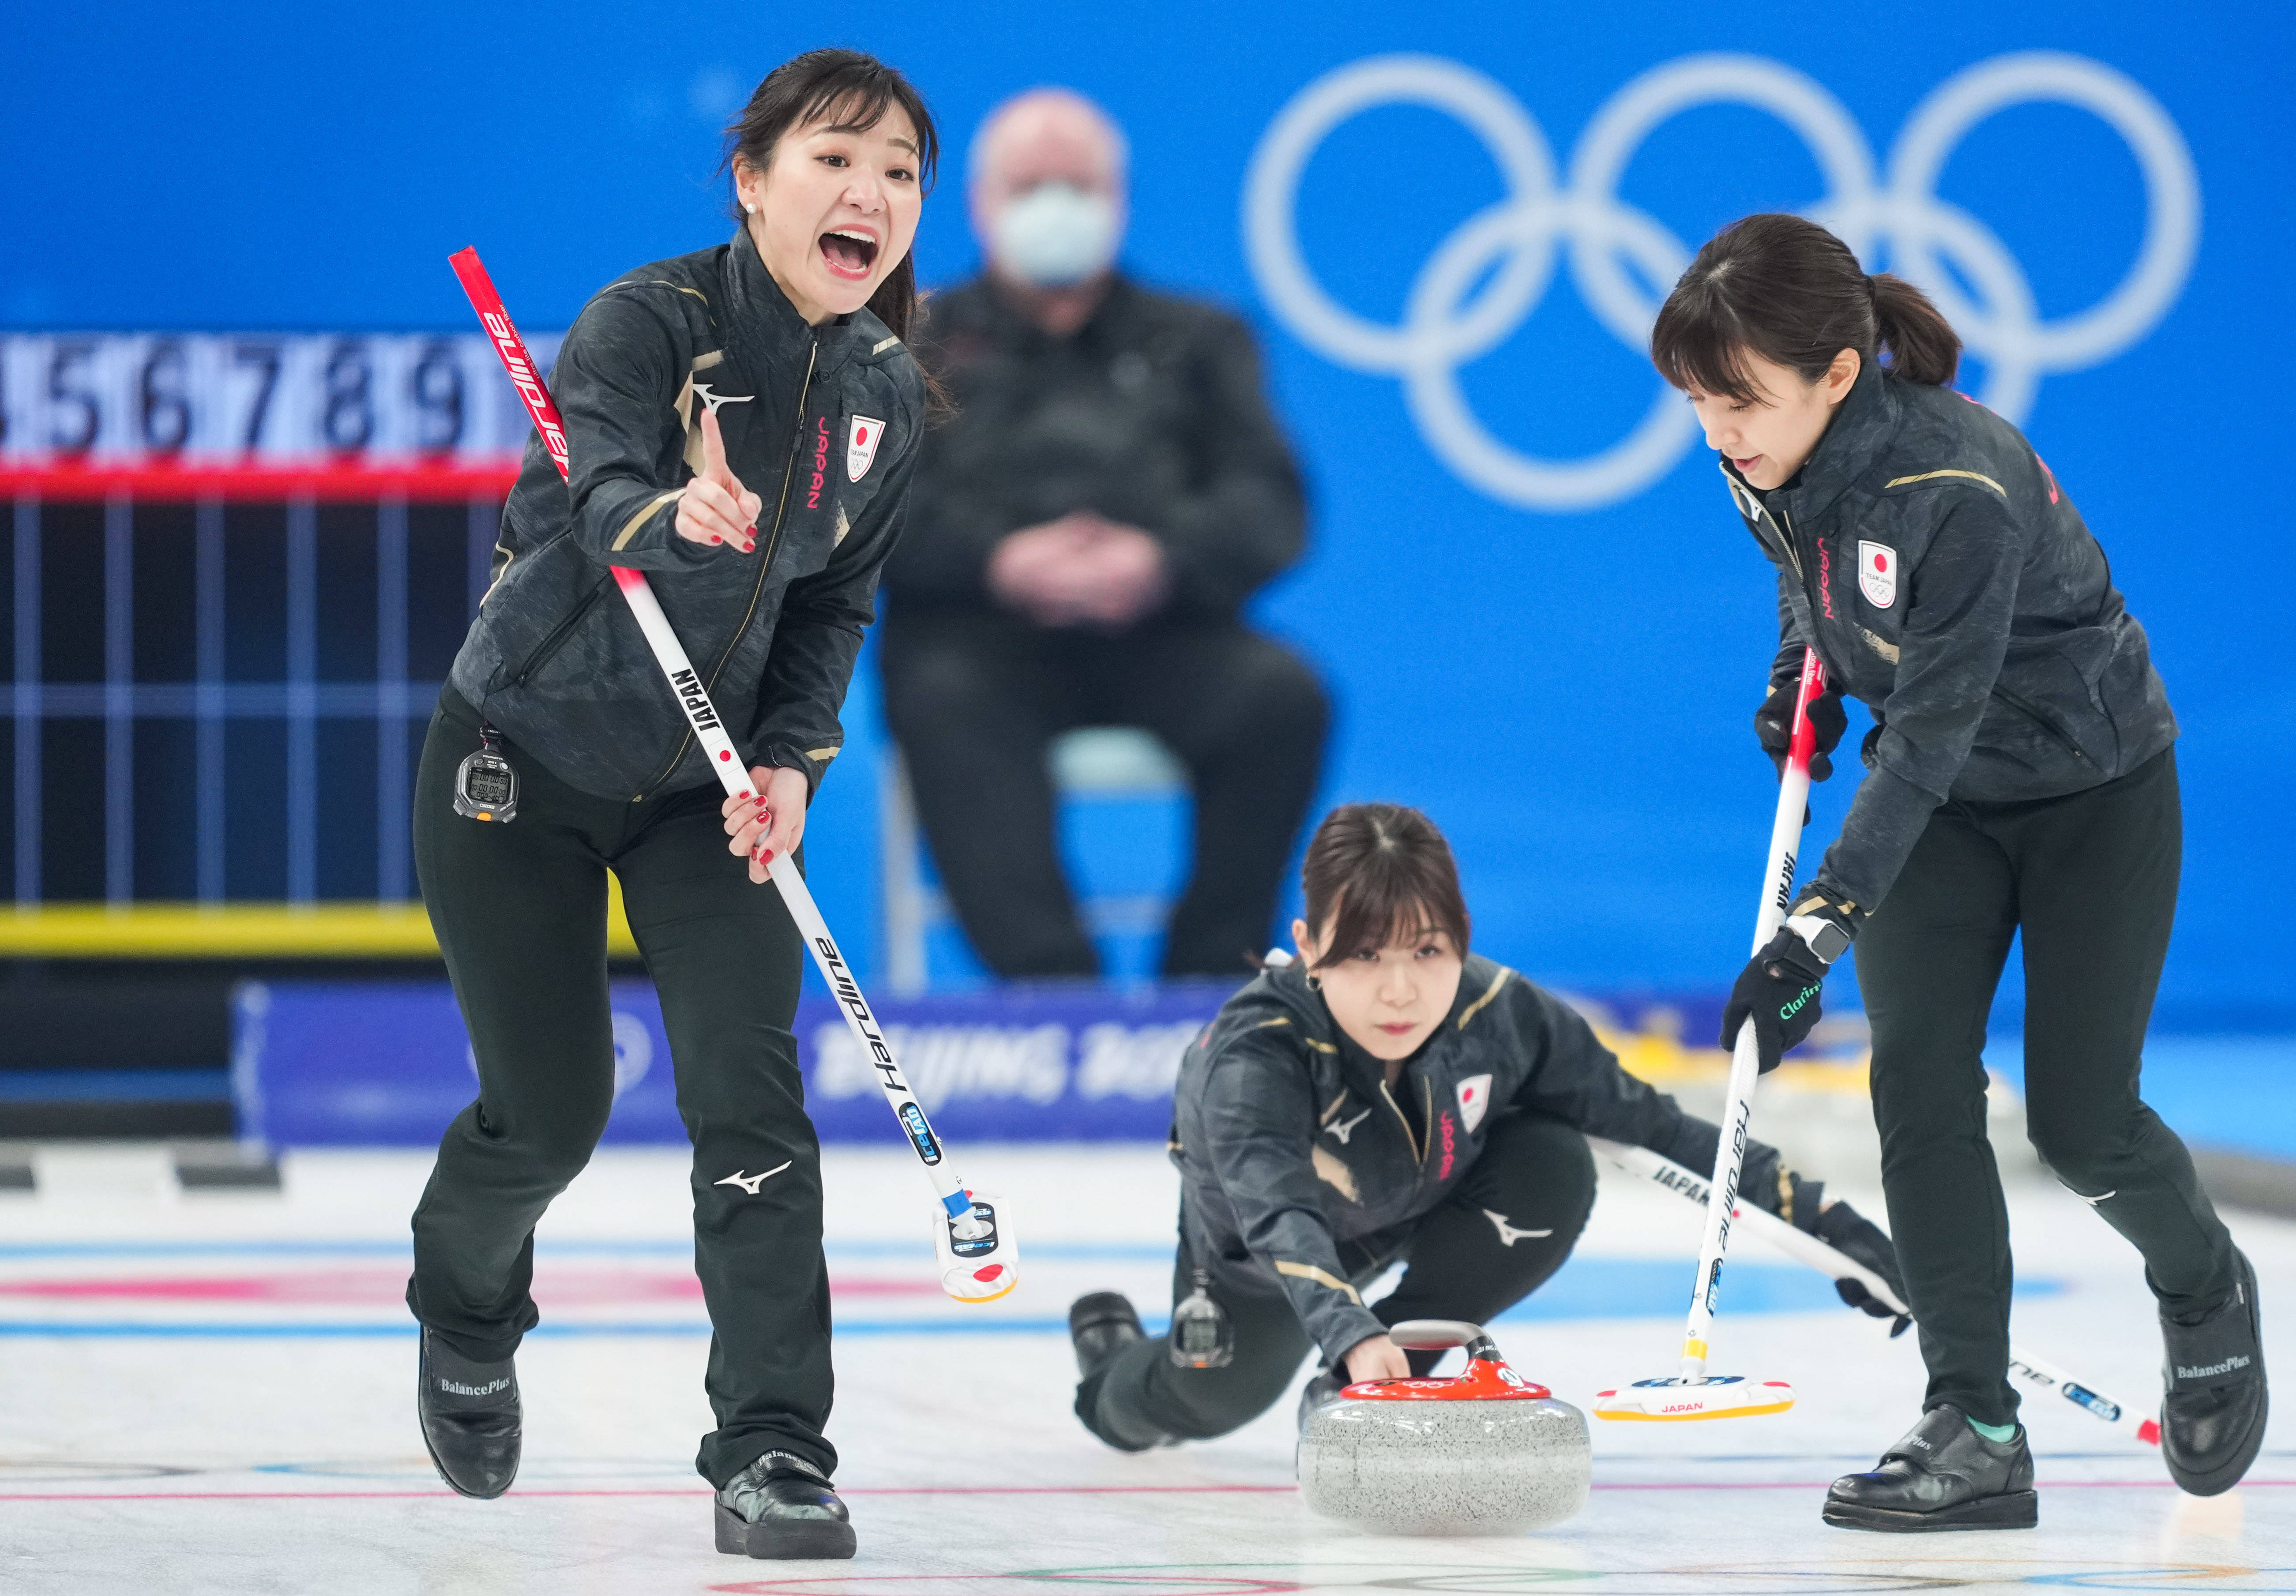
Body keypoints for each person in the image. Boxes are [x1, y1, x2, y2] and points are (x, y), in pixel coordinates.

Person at [1650, 213, 2266, 1531]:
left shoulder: (1957, 487)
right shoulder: (1757, 455)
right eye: (1697, 402)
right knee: (1917, 1087)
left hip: (2088, 794)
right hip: (1937, 805)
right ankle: (1974, 1423)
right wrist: (1794, 677)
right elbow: (1800, 568)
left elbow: (1930, 734)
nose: (1717, 433)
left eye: (1739, 400)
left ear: (1837, 369)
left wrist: (1814, 927)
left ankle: (2205, 1284)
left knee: (2079, 1126)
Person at [405, 49, 936, 1561]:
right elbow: (599, 491)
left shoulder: (888, 392)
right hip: (520, 760)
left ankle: (772, 1446)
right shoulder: (652, 321)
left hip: (703, 795)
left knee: (747, 1096)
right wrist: (670, 513)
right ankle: (464, 1306)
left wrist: (794, 756)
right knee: (552, 1110)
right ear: (753, 180)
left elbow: (835, 603)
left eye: (900, 172)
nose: (872, 194)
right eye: (838, 159)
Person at [1066, 802, 1906, 1450]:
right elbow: (1277, 1211)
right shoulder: (1255, 1053)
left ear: (1462, 942)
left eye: (1427, 952)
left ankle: (1388, 1371)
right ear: (1308, 944)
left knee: (1555, 1159)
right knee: (1206, 1403)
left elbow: (1652, 1127)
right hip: (1265, 1257)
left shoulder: (1503, 1011)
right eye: (1364, 955)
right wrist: (1348, 1331)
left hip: (1426, 1203)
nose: (1400, 990)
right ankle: (1110, 1364)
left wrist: (1824, 1221)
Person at [879, 87, 1327, 979]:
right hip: (977, 641)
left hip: (1163, 630)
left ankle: (1207, 990)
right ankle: (1054, 998)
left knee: (1283, 698)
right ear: (980, 204)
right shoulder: (907, 343)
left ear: (1117, 200)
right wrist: (1001, 560)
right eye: (1031, 184)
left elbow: (1270, 503)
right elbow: (870, 512)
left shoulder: (1199, 338)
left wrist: (1157, 560)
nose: (1056, 205)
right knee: (940, 700)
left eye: (1077, 185)